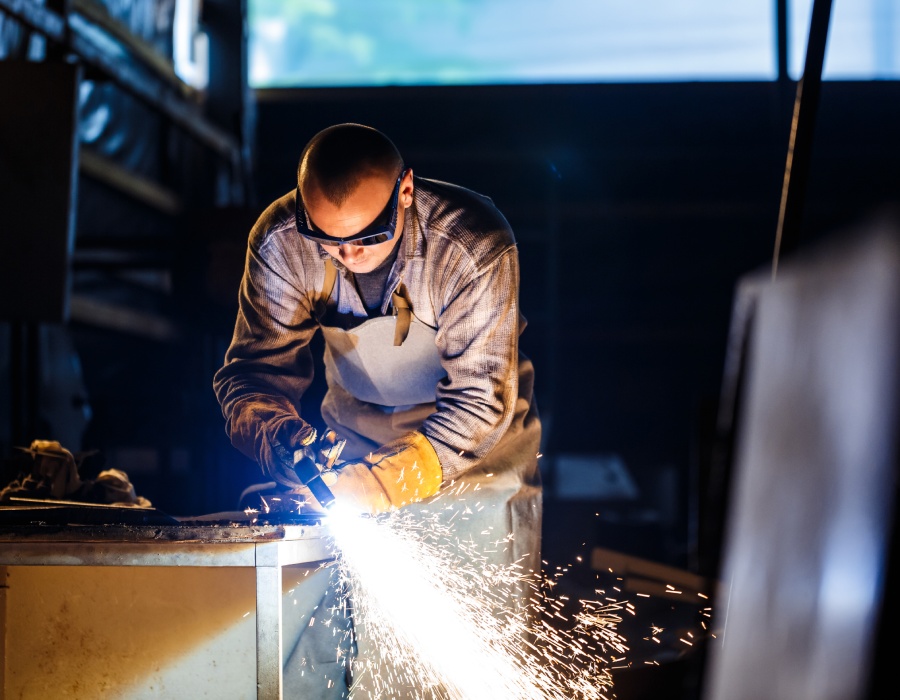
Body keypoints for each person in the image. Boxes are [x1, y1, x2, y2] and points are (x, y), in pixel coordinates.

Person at [213, 123, 541, 698]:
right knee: (320, 644)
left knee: (456, 654)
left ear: (406, 191)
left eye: (369, 237)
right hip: (355, 431)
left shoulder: (471, 245)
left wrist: (381, 485)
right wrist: (282, 437)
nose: (349, 255)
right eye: (330, 241)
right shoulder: (282, 242)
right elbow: (252, 376)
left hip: (474, 454)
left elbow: (479, 401)